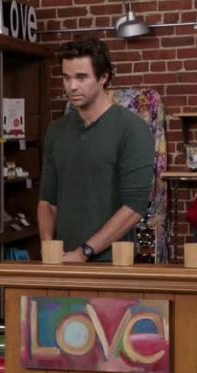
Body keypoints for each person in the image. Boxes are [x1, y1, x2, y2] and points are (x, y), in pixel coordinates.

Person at [38, 37, 154, 262]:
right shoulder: (56, 131)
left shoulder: (131, 129)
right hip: (63, 261)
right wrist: (48, 247)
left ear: (103, 77)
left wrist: (84, 252)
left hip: (113, 263)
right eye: (67, 77)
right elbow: (47, 201)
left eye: (82, 77)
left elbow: (134, 207)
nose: (72, 86)